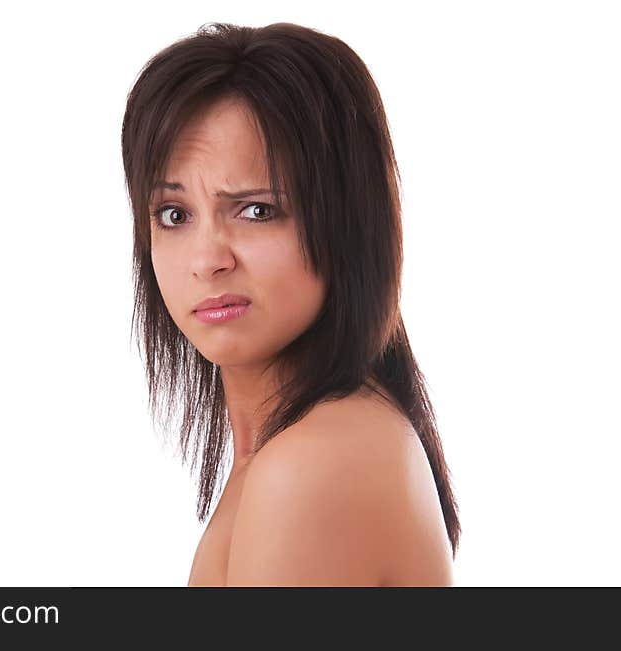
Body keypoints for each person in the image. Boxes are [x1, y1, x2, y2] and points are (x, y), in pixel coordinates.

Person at [121, 22, 460, 586]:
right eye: (174, 215)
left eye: (255, 210)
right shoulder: (300, 443)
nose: (207, 260)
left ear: (348, 223)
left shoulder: (311, 466)